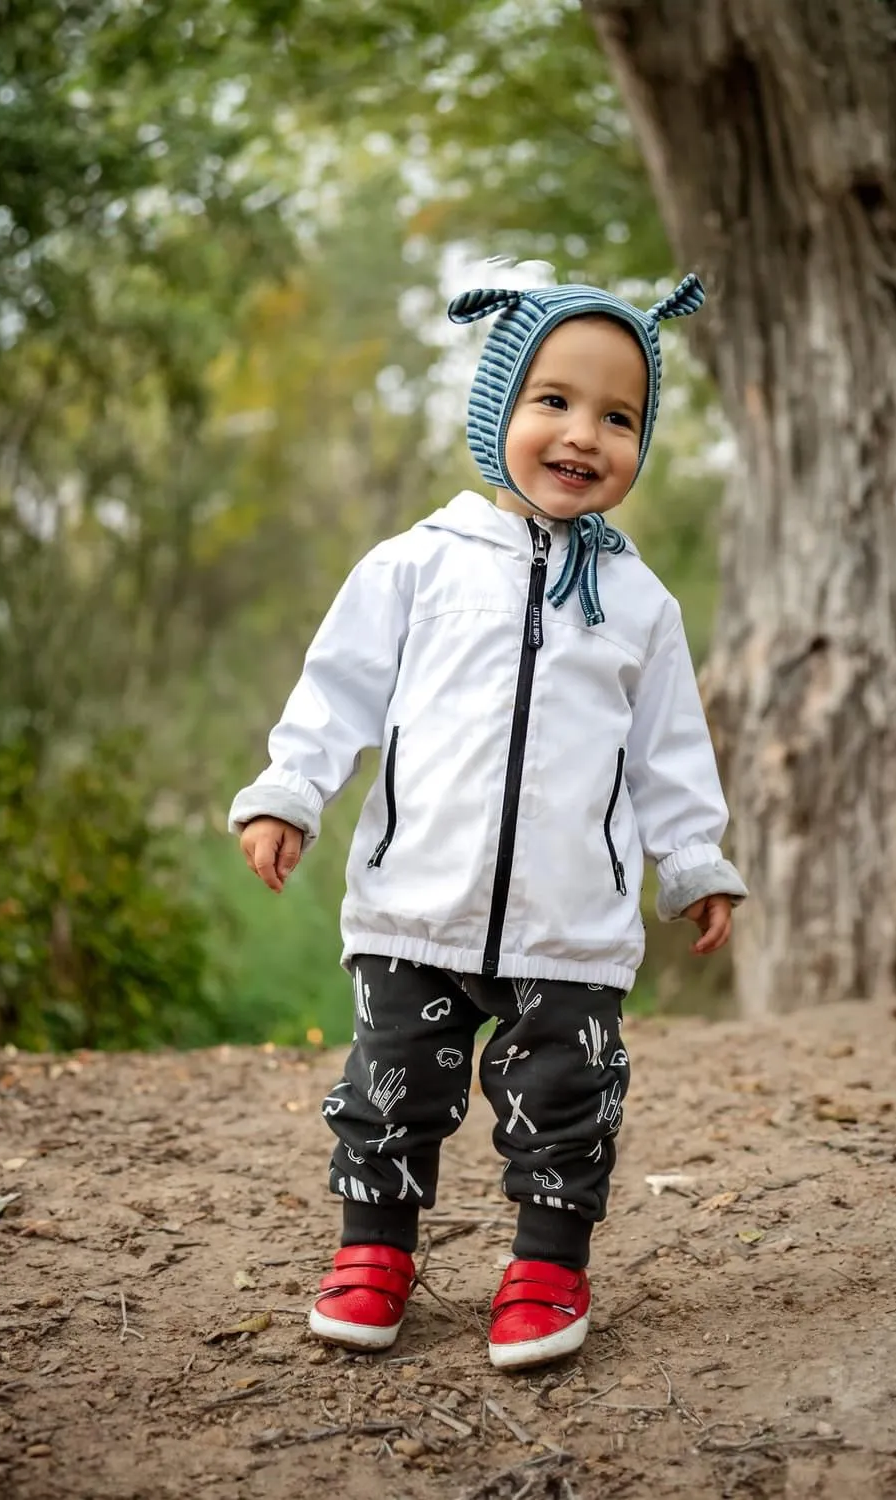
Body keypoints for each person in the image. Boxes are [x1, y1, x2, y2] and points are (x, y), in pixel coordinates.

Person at [229, 273, 747, 1372]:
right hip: (414, 905)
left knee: (567, 1096)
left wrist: (693, 858)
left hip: (572, 921)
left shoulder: (640, 605)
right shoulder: (417, 565)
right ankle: (375, 1251)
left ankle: (548, 1263)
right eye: (553, 401)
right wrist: (289, 791)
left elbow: (668, 752)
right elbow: (336, 695)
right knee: (390, 1087)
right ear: (497, 407)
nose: (582, 434)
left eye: (619, 417)